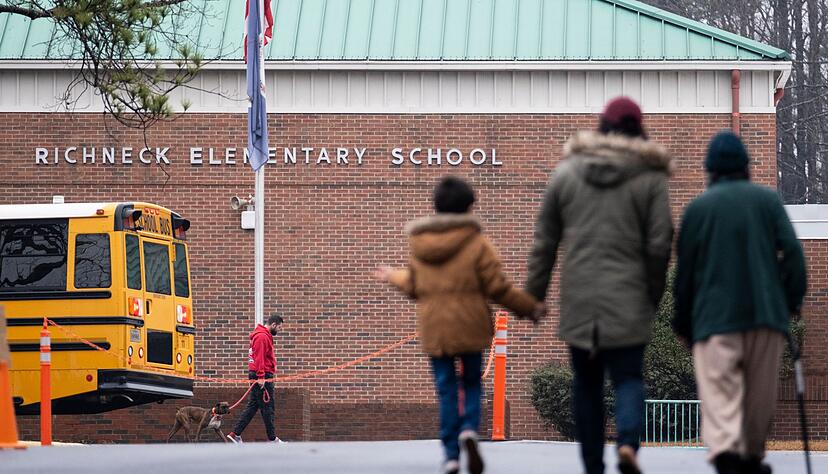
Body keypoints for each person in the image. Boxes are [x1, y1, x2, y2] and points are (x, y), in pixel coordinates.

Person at [525, 97, 673, 474]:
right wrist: (653, 294)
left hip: (581, 300)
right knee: (627, 377)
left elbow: (545, 239)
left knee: (586, 384)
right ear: (639, 131)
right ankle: (626, 443)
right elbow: (659, 244)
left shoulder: (568, 173)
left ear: (600, 128)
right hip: (630, 297)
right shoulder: (650, 177)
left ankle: (592, 465)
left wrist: (534, 296)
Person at [375, 176, 543, 474]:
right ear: (469, 207)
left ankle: (451, 454)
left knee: (446, 389)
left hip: (435, 327)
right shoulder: (478, 244)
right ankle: (469, 430)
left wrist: (392, 276)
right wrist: (529, 308)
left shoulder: (421, 244)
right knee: (471, 383)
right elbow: (498, 288)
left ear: (436, 207)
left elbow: (414, 285)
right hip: (470, 325)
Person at [672, 131, 807, 474]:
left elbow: (685, 275)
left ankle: (728, 455)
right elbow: (792, 253)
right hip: (766, 318)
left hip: (715, 322)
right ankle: (749, 456)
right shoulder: (767, 202)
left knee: (720, 399)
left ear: (710, 170)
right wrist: (790, 301)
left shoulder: (698, 210)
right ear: (746, 166)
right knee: (758, 402)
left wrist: (683, 322)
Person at [226, 313, 284, 444]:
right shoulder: (262, 337)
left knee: (253, 406)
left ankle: (235, 434)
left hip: (259, 375)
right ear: (273, 325)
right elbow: (259, 358)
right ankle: (272, 438)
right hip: (261, 376)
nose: (279, 331)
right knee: (268, 407)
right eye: (279, 328)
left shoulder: (262, 335)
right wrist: (261, 376)